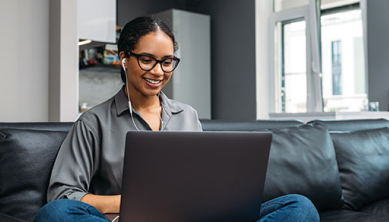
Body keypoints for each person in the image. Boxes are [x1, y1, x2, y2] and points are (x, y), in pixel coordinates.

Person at [34, 15, 319, 222]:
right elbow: (62, 195)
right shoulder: (93, 122)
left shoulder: (188, 115)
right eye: (147, 59)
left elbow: (205, 180)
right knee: (55, 214)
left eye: (167, 61)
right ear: (124, 58)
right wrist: (137, 204)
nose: (158, 71)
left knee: (300, 206)